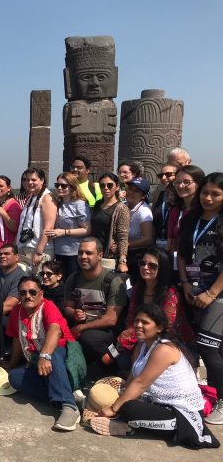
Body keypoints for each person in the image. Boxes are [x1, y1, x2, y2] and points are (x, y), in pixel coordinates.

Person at [90, 304, 219, 449]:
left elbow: (141, 383)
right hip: (158, 402)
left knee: (128, 409)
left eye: (145, 322)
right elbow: (133, 375)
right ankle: (128, 422)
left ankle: (129, 426)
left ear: (159, 328)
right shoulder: (141, 345)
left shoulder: (164, 349)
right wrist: (120, 393)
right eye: (137, 321)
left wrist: (113, 409)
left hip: (182, 412)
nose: (138, 325)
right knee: (122, 397)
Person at [5, 275, 80, 431]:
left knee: (53, 353)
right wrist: (11, 365)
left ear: (41, 293)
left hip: (65, 360)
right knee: (14, 377)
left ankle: (69, 406)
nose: (28, 296)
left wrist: (44, 355)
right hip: (38, 363)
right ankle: (66, 394)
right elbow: (17, 340)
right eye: (23, 293)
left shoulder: (48, 307)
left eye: (32, 292)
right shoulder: (17, 311)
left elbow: (55, 330)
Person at [178, 172, 223, 424]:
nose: (208, 198)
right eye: (206, 192)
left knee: (208, 345)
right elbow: (183, 253)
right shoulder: (191, 218)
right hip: (194, 289)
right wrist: (185, 282)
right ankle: (212, 394)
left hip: (218, 293)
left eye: (216, 194)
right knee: (205, 344)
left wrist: (212, 293)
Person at [116, 247, 194, 372]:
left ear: (162, 269)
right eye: (142, 263)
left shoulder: (170, 294)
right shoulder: (137, 289)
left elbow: (165, 327)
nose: (145, 267)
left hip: (169, 342)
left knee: (128, 358)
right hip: (143, 337)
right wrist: (126, 335)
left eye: (152, 265)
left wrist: (129, 338)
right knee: (120, 356)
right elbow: (131, 318)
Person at [63, 237, 127, 374]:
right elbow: (67, 307)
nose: (83, 257)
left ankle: (113, 363)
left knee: (89, 338)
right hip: (80, 326)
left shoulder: (113, 281)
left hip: (106, 331)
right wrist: (74, 313)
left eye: (88, 253)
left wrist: (81, 327)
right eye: (80, 253)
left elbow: (111, 319)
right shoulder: (73, 278)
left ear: (100, 255)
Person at [46, 172, 91, 279]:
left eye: (64, 186)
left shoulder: (79, 204)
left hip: (73, 253)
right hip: (57, 251)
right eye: (57, 185)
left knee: (71, 282)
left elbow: (87, 230)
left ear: (72, 187)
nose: (59, 188)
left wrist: (64, 232)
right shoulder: (58, 202)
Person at [16, 167, 56, 273]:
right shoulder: (32, 197)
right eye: (27, 179)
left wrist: (39, 252)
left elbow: (48, 227)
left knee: (38, 281)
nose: (30, 182)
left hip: (38, 250)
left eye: (33, 180)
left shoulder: (47, 197)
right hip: (25, 248)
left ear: (42, 180)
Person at [90, 173, 130, 272]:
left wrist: (122, 261)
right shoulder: (98, 204)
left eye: (110, 185)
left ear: (117, 187)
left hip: (108, 256)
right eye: (102, 185)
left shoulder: (121, 208)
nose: (106, 188)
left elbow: (123, 236)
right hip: (93, 253)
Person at [167, 165, 206, 253]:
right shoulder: (175, 211)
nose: (180, 186)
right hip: (180, 259)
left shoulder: (206, 211)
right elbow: (171, 244)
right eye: (177, 182)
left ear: (199, 184)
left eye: (186, 182)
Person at [124, 177, 154, 283]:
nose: (131, 192)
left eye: (136, 191)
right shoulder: (124, 205)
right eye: (130, 189)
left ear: (143, 196)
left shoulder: (144, 211)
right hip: (124, 254)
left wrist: (124, 245)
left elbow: (148, 239)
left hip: (136, 257)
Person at [0, 243, 27, 315]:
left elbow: (8, 306)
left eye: (6, 254)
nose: (2, 256)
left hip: (9, 319)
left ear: (17, 257)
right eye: (0, 254)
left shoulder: (23, 278)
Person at [0, 175, 21, 250]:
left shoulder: (13, 205)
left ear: (9, 188)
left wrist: (4, 214)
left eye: (1, 186)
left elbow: (15, 227)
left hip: (6, 246)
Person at [151, 163, 178, 249]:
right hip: (157, 243)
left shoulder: (181, 197)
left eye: (168, 174)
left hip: (175, 245)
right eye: (160, 175)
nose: (163, 178)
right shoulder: (160, 194)